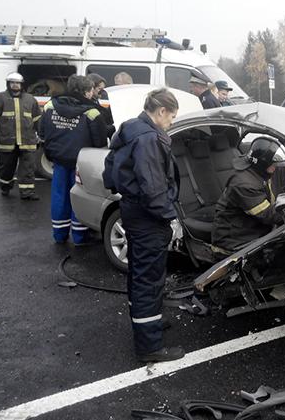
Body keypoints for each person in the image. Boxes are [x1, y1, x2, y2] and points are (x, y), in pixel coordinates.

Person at [102, 88, 184, 363]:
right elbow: (154, 187)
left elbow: (110, 169)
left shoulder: (130, 127)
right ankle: (149, 346)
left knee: (139, 273)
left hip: (133, 211)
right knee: (149, 278)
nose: (172, 123)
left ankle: (146, 324)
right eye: (172, 117)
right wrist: (170, 218)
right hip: (149, 216)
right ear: (161, 112)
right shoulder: (149, 138)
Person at [40, 75, 108, 244]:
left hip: (59, 161)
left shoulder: (50, 106)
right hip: (82, 163)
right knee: (81, 197)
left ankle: (60, 235)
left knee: (59, 197)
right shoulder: (92, 112)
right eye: (92, 90)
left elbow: (42, 133)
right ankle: (79, 237)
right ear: (87, 91)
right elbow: (99, 142)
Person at [211, 136, 285, 254]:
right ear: (262, 164)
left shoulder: (275, 168)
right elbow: (269, 215)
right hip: (235, 242)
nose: (276, 168)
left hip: (261, 233)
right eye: (273, 166)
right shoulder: (243, 184)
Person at [0, 72, 42, 200]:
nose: (15, 85)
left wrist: (42, 134)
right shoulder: (0, 98)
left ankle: (27, 193)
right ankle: (5, 187)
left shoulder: (30, 99)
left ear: (22, 84)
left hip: (27, 141)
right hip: (7, 142)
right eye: (12, 82)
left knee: (28, 168)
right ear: (8, 84)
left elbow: (38, 119)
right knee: (6, 168)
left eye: (17, 83)